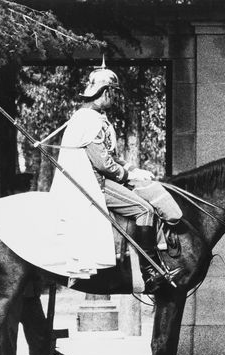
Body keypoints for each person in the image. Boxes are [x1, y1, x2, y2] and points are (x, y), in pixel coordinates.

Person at [51, 62, 182, 294]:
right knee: (145, 210)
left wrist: (134, 169)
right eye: (114, 94)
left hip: (100, 178)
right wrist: (128, 174)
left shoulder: (91, 116)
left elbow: (110, 156)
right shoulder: (90, 120)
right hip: (93, 185)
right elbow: (103, 163)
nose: (115, 99)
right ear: (106, 92)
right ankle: (150, 272)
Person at [0, 173, 70, 355]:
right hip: (9, 288)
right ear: (10, 192)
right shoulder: (3, 216)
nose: (24, 193)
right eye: (20, 189)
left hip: (29, 287)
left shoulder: (28, 216)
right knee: (8, 338)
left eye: (26, 188)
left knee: (40, 333)